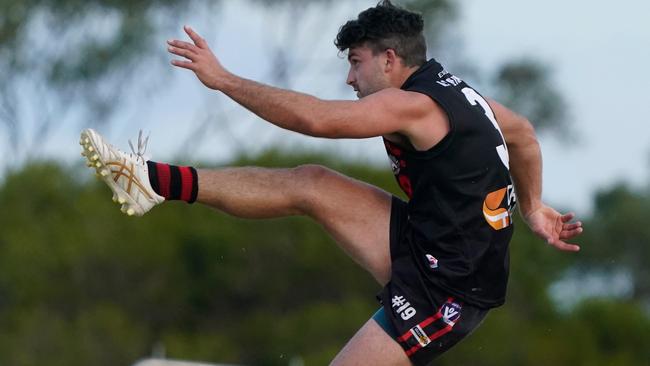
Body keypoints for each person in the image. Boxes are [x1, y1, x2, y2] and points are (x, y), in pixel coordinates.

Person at [79, 1, 583, 365]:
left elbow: (317, 120)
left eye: (355, 62)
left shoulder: (411, 103)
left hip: (448, 289)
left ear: (390, 59)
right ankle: (152, 183)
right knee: (312, 183)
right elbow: (523, 133)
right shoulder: (458, 94)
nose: (350, 79)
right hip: (427, 240)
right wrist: (533, 207)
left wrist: (225, 80)